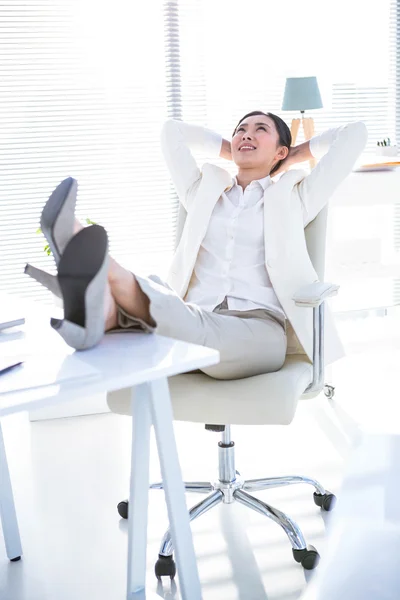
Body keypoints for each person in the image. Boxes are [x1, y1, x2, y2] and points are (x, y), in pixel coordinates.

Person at [27, 111, 368, 379]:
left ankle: (108, 282)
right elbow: (171, 132)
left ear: (280, 149)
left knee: (180, 316)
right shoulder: (202, 191)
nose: (246, 133)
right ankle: (105, 313)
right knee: (182, 311)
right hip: (195, 312)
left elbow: (354, 133)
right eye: (240, 129)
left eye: (260, 129)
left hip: (260, 331)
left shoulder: (296, 197)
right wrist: (236, 149)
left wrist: (290, 157)